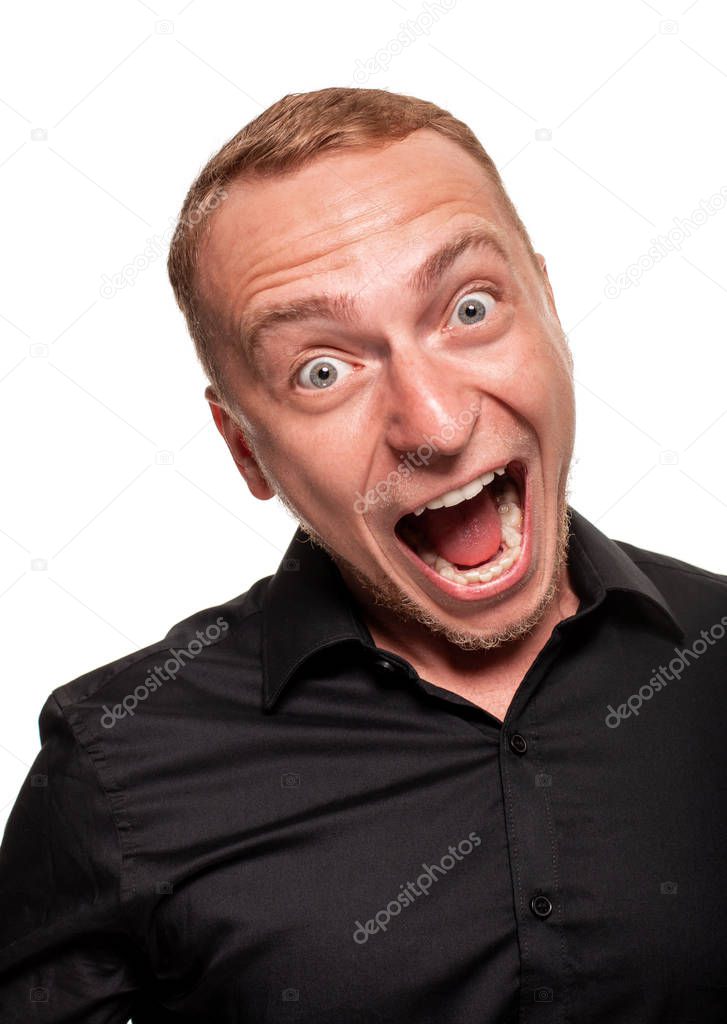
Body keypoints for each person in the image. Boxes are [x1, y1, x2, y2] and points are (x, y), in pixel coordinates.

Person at [1, 86, 726, 1024]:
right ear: (244, 448)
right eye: (322, 370)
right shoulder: (113, 766)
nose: (434, 423)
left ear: (545, 307)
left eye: (469, 308)